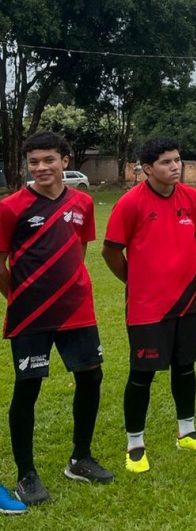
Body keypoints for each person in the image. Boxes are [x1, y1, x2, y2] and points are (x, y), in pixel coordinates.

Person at [0, 132, 112, 508]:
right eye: (33, 162)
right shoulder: (10, 207)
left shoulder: (83, 202)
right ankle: (26, 474)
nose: (41, 167)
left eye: (49, 159)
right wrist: (21, 298)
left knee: (90, 377)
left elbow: (79, 249)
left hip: (76, 309)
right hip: (30, 314)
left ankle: (80, 459)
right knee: (28, 386)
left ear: (65, 160)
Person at [103, 137, 196, 474]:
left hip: (189, 299)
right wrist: (137, 280)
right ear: (147, 168)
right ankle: (135, 445)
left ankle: (187, 432)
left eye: (177, 160)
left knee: (186, 366)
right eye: (166, 162)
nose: (175, 167)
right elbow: (111, 251)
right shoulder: (130, 203)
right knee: (142, 374)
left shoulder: (192, 198)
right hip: (148, 306)